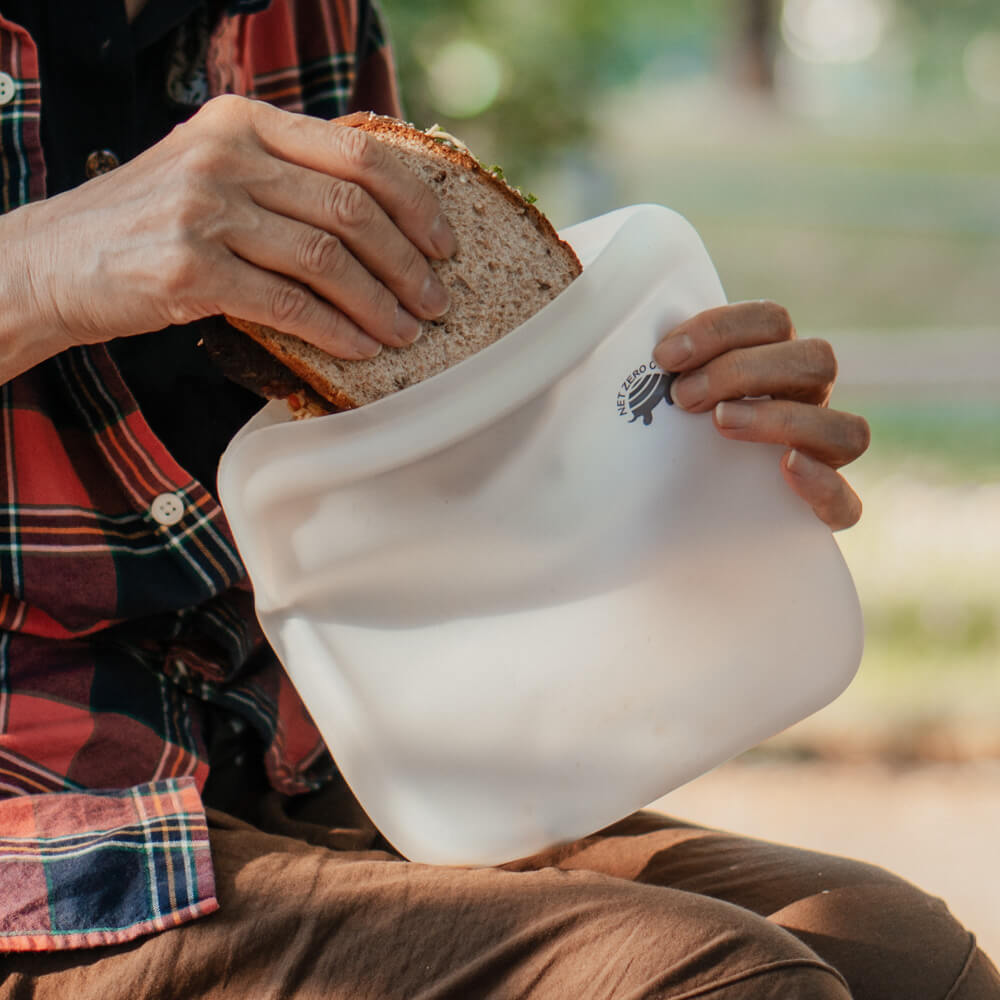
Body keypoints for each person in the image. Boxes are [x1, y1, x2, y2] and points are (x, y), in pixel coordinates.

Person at [0, 2, 997, 997]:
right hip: (36, 830)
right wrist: (43, 267)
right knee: (730, 984)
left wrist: (660, 441)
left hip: (305, 755)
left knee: (914, 962)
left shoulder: (310, 15)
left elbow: (392, 465)